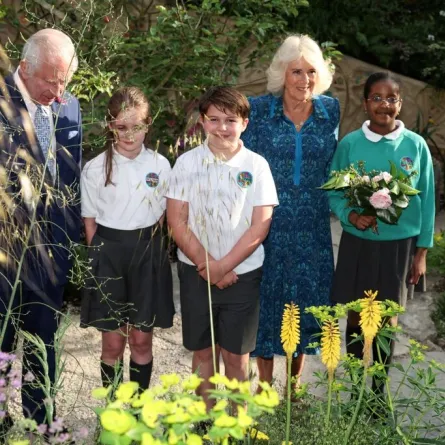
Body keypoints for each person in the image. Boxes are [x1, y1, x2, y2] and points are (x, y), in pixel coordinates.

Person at [167, 86, 278, 410]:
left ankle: (235, 424)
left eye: (231, 120)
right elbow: (177, 220)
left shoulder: (257, 166)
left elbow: (261, 225)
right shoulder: (187, 164)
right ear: (202, 121)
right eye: (214, 119)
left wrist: (225, 266)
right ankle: (205, 419)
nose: (222, 127)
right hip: (195, 273)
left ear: (245, 122)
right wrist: (208, 266)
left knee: (236, 355)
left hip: (242, 276)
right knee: (203, 352)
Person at [241, 35, 340, 392]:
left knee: (304, 300)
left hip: (313, 225)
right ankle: (265, 388)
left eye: (311, 71)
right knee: (268, 301)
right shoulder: (258, 111)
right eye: (296, 71)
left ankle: (294, 386)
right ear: (282, 73)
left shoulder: (331, 111)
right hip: (269, 223)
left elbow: (337, 166)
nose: (304, 80)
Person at [329, 72, 435, 392]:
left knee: (387, 319)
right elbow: (335, 191)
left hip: (399, 247)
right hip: (357, 244)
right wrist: (351, 215)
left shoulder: (416, 146)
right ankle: (353, 388)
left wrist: (421, 253)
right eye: (376, 98)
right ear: (365, 104)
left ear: (400, 104)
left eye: (391, 98)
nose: (384, 105)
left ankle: (377, 392)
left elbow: (427, 199)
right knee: (356, 317)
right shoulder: (350, 144)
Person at [0, 29, 82, 427]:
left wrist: (68, 240)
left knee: (42, 337)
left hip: (51, 250)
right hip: (5, 247)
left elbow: (70, 178)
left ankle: (43, 417)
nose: (58, 89)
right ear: (24, 67)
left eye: (64, 79)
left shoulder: (71, 108)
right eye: (51, 79)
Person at [80, 87, 174, 392]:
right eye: (121, 127)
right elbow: (90, 222)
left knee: (141, 340)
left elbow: (163, 214)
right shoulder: (95, 168)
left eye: (137, 127)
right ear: (110, 126)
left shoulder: (160, 165)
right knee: (112, 343)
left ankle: (137, 413)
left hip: (147, 254)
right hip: (108, 255)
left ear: (148, 125)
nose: (129, 135)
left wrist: (145, 243)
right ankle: (111, 418)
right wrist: (102, 258)